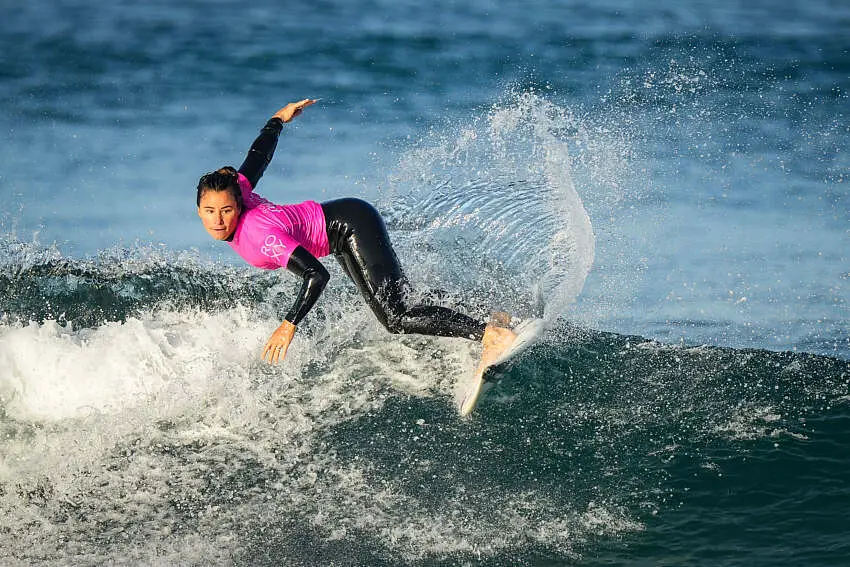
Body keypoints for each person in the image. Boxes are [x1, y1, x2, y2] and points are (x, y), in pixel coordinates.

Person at [196, 99, 515, 379]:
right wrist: (277, 120)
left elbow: (316, 275)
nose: (219, 219)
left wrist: (289, 323)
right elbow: (258, 158)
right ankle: (493, 314)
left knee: (396, 318)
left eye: (226, 210)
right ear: (198, 209)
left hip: (350, 227)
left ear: (238, 205)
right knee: (402, 299)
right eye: (210, 211)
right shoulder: (236, 187)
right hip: (341, 228)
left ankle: (490, 333)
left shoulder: (258, 236)